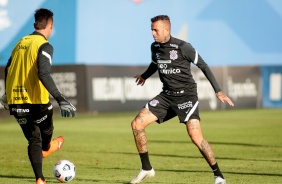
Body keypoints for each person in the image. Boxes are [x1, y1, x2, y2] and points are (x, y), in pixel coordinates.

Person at [129, 15, 234, 184]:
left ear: (166, 30)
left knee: (195, 136)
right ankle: (147, 168)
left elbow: (203, 65)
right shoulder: (154, 47)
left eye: (156, 30)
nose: (153, 33)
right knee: (136, 124)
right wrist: (145, 76)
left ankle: (218, 176)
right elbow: (156, 64)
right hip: (167, 95)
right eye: (151, 30)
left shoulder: (183, 47)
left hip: (187, 96)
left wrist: (218, 91)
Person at [0, 8, 76, 184]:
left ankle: (40, 179)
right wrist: (60, 98)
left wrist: (6, 93)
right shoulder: (45, 45)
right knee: (47, 133)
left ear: (35, 24)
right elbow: (43, 73)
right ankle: (47, 147)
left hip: (16, 103)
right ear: (50, 26)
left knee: (34, 138)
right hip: (37, 103)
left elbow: (8, 68)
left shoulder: (20, 43)